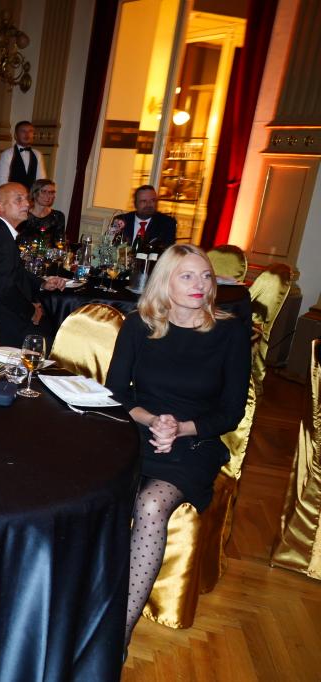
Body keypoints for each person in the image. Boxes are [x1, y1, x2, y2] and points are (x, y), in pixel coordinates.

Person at [104, 244, 250, 649]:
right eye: (187, 276)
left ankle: (118, 636)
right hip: (138, 431)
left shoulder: (230, 332)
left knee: (152, 503)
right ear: (165, 282)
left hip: (195, 442)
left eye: (205, 276)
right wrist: (153, 421)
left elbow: (231, 412)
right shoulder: (139, 325)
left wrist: (181, 428)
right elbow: (116, 393)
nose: (200, 284)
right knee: (90, 486)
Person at [0, 182, 67, 346]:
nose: (27, 204)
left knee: (53, 326)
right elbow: (5, 290)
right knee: (56, 343)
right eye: (19, 199)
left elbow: (15, 271)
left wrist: (42, 283)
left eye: (26, 199)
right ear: (1, 206)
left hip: (1, 314)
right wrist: (31, 311)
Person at [119, 185, 177, 249]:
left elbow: (167, 250)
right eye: (144, 201)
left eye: (152, 200)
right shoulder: (122, 220)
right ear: (135, 203)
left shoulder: (167, 223)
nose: (149, 204)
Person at [0, 121, 47, 189]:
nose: (27, 134)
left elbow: (41, 181)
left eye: (30, 131)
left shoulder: (37, 154)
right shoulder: (7, 154)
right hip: (13, 194)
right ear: (15, 135)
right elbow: (2, 181)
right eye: (23, 131)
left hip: (31, 195)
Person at [16, 179, 66, 246]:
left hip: (48, 252)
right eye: (44, 191)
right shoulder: (23, 214)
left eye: (51, 192)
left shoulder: (58, 216)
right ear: (34, 193)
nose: (48, 195)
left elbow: (59, 241)